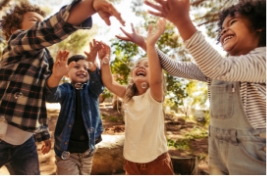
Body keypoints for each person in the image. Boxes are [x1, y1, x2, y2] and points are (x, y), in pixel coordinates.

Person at [117, 0, 266, 174]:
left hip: (252, 152)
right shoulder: (220, 66)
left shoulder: (262, 59)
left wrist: (182, 22)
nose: (224, 30)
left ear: (259, 26)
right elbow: (175, 67)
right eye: (221, 28)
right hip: (218, 149)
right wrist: (145, 44)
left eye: (232, 22)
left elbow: (219, 68)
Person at [0, 0, 124, 174]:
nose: (41, 24)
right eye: (36, 21)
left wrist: (42, 132)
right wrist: (88, 6)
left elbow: (38, 99)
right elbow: (47, 31)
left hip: (25, 141)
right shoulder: (17, 43)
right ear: (15, 29)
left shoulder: (46, 59)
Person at [97, 19, 174, 175]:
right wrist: (104, 60)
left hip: (157, 161)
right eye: (139, 65)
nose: (141, 66)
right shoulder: (128, 95)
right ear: (133, 75)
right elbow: (109, 82)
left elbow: (157, 79)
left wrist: (150, 45)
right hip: (132, 162)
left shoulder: (154, 95)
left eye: (147, 65)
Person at [45, 39, 103, 175]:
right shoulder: (65, 89)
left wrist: (93, 65)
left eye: (86, 68)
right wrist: (55, 76)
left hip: (87, 150)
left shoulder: (91, 90)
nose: (82, 70)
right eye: (76, 67)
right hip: (66, 151)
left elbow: (99, 85)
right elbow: (51, 96)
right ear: (67, 73)